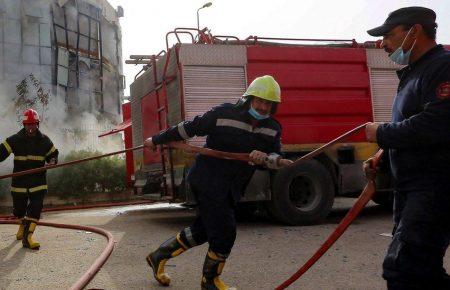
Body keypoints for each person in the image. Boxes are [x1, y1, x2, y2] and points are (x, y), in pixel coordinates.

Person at [144, 75, 292, 290]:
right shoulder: (224, 113)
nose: (262, 107)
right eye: (259, 101)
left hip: (232, 187)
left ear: (273, 106)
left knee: (204, 230)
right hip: (207, 179)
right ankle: (210, 282)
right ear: (248, 98)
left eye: (268, 103)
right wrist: (156, 139)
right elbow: (190, 127)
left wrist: (268, 159)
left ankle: (158, 256)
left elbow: (273, 156)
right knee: (224, 231)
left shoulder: (272, 128)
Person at [364, 7, 450, 290]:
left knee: (404, 269)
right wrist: (383, 155)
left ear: (415, 31)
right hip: (411, 188)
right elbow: (414, 130)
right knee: (421, 269)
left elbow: (437, 124)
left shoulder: (443, 66)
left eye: (389, 35)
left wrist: (381, 133)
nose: (382, 43)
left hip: (435, 187)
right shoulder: (413, 73)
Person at [0, 109, 59, 250]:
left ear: (37, 124)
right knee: (19, 211)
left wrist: (52, 160)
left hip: (38, 183)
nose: (31, 127)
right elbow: (0, 153)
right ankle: (22, 224)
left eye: (33, 124)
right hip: (19, 183)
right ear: (24, 125)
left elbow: (54, 154)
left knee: (35, 209)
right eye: (28, 124)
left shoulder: (45, 140)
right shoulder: (15, 139)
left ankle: (28, 237)